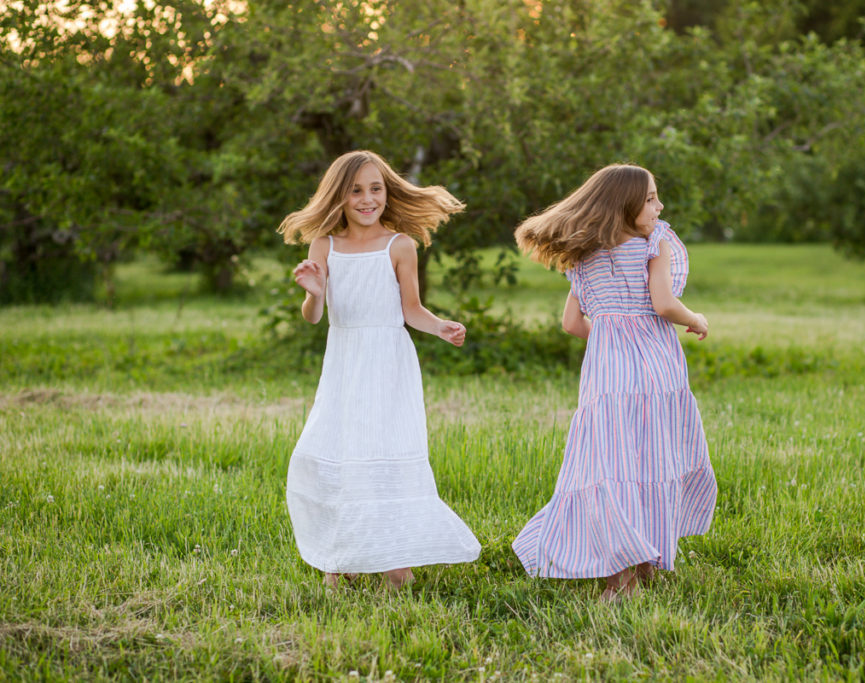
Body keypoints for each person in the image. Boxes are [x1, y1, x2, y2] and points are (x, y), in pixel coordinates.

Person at [511, 164, 717, 602]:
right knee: (652, 459)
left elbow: (571, 323)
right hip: (656, 370)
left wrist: (609, 337)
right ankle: (644, 565)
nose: (659, 207)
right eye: (650, 199)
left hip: (607, 376)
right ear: (625, 203)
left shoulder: (584, 254)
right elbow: (663, 304)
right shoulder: (653, 244)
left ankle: (621, 576)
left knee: (612, 466)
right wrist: (695, 318)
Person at [278, 150, 480, 590]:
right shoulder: (324, 246)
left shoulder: (400, 245)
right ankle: (341, 555)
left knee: (385, 452)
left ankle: (394, 557)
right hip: (345, 362)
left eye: (376, 189)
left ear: (387, 193)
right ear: (339, 196)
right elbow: (314, 317)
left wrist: (441, 327)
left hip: (389, 363)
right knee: (340, 451)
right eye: (356, 190)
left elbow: (412, 311)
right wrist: (313, 292)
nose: (367, 199)